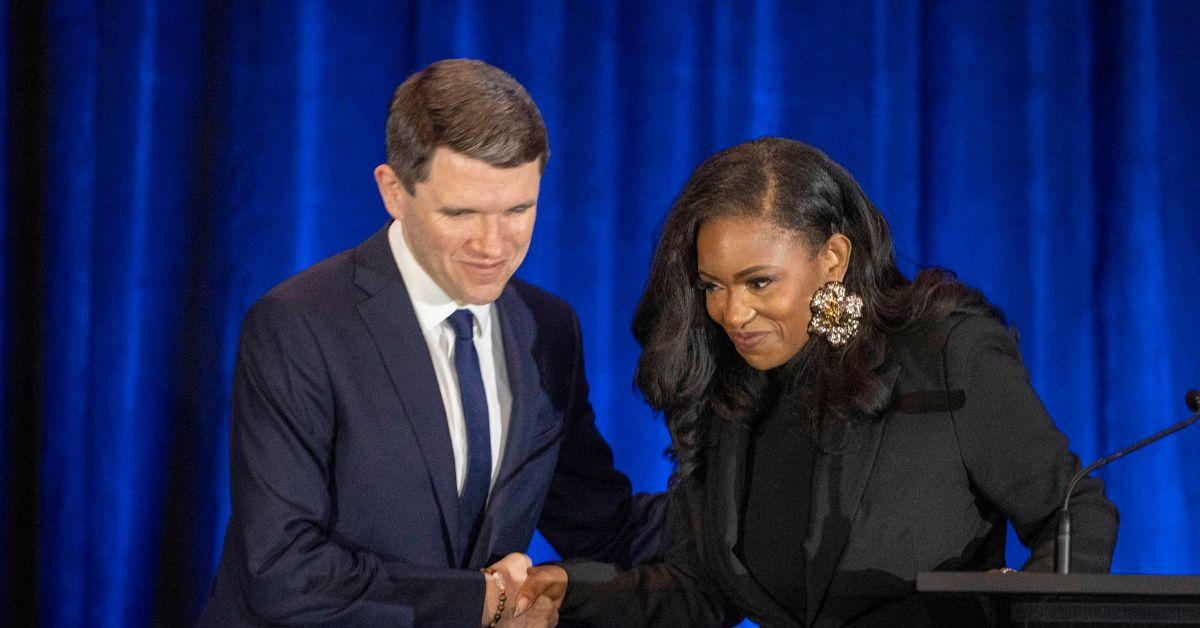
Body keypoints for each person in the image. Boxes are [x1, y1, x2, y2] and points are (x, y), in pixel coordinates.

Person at [516, 137, 1119, 627]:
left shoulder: (945, 352)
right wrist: (569, 594)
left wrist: (1037, 614)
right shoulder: (729, 391)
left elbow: (1074, 511)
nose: (730, 313)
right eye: (712, 286)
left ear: (833, 257)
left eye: (758, 283)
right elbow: (699, 593)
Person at [198, 59, 664, 627]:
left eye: (519, 209)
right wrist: (483, 601)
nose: (494, 245)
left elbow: (600, 524)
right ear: (393, 191)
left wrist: (759, 504)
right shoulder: (298, 325)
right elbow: (283, 570)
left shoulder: (547, 327)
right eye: (462, 212)